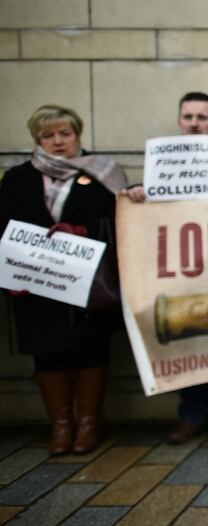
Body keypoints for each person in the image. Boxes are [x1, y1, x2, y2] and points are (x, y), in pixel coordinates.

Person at [124, 92, 208, 445]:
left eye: (202, 117)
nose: (195, 124)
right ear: (180, 121)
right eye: (188, 117)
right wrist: (137, 193)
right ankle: (192, 414)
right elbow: (148, 205)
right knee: (189, 341)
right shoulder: (163, 163)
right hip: (180, 273)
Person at [0, 104, 127, 455]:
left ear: (78, 135)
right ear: (37, 140)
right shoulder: (17, 179)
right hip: (35, 287)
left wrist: (82, 231)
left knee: (91, 351)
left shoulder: (104, 175)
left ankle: (87, 425)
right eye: (48, 135)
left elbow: (122, 225)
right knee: (48, 353)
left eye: (65, 134)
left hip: (90, 287)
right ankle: (60, 426)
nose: (58, 142)